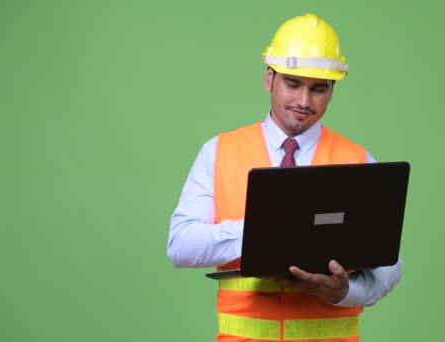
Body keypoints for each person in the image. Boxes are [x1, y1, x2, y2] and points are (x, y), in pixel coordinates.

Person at [168, 13, 402, 342]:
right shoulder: (219, 151)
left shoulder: (358, 160)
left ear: (332, 90)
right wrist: (262, 233)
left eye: (318, 88)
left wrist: (343, 290)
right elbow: (180, 245)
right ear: (269, 79)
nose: (304, 101)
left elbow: (391, 265)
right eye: (292, 84)